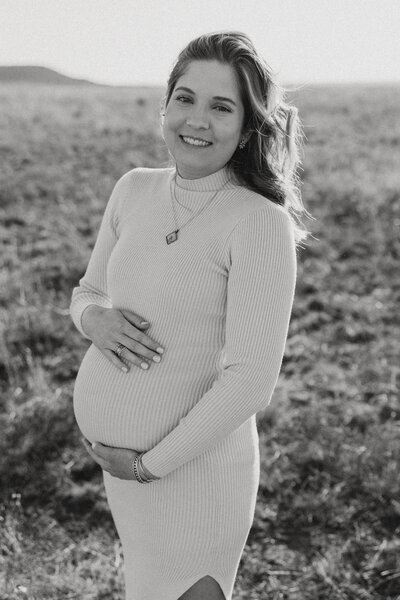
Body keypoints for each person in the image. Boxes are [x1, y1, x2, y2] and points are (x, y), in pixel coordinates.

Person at [69, 30, 309, 600]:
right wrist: (93, 321)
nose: (196, 120)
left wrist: (150, 465)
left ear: (248, 126)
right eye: (185, 98)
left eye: (220, 106)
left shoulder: (258, 223)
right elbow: (87, 291)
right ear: (165, 104)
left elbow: (251, 381)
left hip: (196, 477)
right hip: (126, 475)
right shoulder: (133, 190)